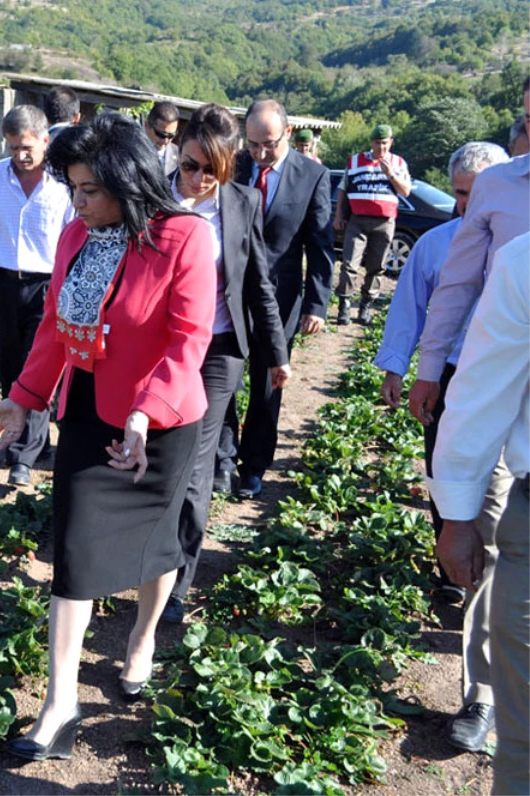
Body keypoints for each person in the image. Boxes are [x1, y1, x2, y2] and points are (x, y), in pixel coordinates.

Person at [0, 113, 215, 761]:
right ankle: (61, 704)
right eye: (73, 187)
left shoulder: (184, 237)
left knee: (157, 542)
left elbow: (187, 339)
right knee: (76, 553)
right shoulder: (74, 238)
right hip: (89, 413)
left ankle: (141, 640)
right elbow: (56, 331)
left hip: (163, 424)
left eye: (88, 189)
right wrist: (23, 400)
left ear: (126, 178)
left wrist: (147, 412)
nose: (77, 201)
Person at [374, 141, 512, 753]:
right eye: (458, 193)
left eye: (473, 192)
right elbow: (414, 309)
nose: (466, 204)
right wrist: (404, 369)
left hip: (503, 384)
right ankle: (481, 688)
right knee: (467, 502)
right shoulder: (440, 245)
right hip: (464, 382)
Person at [163, 104, 291, 624]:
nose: (197, 180)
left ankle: (177, 582)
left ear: (229, 164)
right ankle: (144, 557)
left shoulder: (242, 202)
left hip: (218, 350)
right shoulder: (151, 199)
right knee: (151, 456)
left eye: (210, 170)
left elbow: (258, 283)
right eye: (190, 165)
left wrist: (276, 353)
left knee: (195, 463)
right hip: (160, 349)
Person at [428, 228, 530, 795]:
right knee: (527, 745)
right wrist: (458, 516)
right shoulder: (525, 260)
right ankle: (482, 697)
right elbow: (484, 389)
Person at [226, 99, 334, 500]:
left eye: (268, 144)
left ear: (287, 133)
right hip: (230, 294)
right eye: (252, 144)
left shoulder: (313, 176)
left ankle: (253, 466)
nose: (259, 153)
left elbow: (320, 244)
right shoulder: (234, 166)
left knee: (268, 383)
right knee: (226, 377)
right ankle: (224, 458)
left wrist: (317, 304)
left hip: (280, 295)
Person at [408, 75, 530, 430]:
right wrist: (428, 369)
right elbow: (456, 287)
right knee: (476, 477)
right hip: (497, 374)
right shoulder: (499, 187)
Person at [0, 106, 74, 486]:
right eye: (12, 147)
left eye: (26, 147)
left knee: (39, 367)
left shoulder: (63, 182)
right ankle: (30, 439)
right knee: (11, 365)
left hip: (47, 286)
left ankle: (23, 456)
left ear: (45, 140)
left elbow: (71, 239)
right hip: (6, 285)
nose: (20, 155)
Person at [333, 123, 412, 326]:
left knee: (376, 266)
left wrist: (391, 174)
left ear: (391, 142)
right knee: (350, 263)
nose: (381, 148)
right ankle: (344, 304)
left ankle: (366, 305)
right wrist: (339, 214)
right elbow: (343, 187)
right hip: (357, 219)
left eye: (385, 143)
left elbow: (406, 191)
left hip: (384, 222)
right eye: (377, 143)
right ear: (372, 143)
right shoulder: (355, 161)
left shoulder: (399, 163)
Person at [145, 101, 180, 176]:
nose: (165, 141)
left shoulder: (180, 156)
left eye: (171, 136)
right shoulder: (131, 150)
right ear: (147, 125)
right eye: (161, 134)